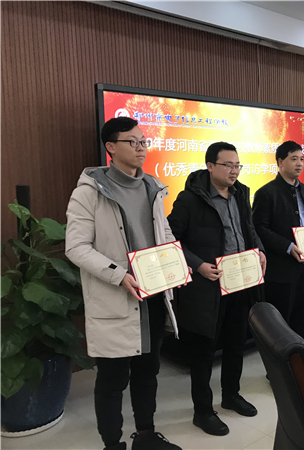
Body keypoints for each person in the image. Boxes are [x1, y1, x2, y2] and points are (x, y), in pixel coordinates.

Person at [65, 117, 182, 450]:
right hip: (116, 297)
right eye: (133, 142)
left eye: (144, 141)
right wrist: (118, 275)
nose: (141, 147)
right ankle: (113, 444)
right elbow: (76, 247)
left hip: (153, 296)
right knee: (112, 381)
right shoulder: (89, 191)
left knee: (148, 372)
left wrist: (175, 264)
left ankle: (145, 436)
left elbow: (164, 232)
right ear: (111, 147)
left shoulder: (153, 187)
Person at [167, 142, 266, 437]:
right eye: (228, 165)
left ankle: (231, 395)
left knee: (236, 343)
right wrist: (197, 265)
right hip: (207, 288)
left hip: (240, 282)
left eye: (237, 165)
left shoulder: (240, 194)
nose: (234, 171)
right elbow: (170, 238)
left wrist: (259, 250)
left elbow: (249, 229)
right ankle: (202, 411)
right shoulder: (190, 199)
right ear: (210, 166)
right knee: (203, 352)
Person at [252, 141, 304, 339]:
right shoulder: (266, 193)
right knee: (279, 324)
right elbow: (259, 228)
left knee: (300, 319)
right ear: (280, 162)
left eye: (301, 159)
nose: (299, 164)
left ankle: (298, 357)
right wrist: (287, 246)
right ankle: (280, 360)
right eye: (294, 159)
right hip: (281, 269)